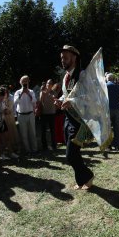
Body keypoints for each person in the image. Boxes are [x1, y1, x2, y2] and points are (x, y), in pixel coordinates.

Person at [54, 45, 94, 190]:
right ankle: (81, 181)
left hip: (79, 121)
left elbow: (90, 96)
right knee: (73, 154)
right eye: (61, 58)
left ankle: (88, 176)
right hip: (68, 118)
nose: (63, 60)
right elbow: (68, 94)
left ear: (74, 57)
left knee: (70, 155)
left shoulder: (82, 74)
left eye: (65, 57)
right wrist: (61, 100)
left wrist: (71, 101)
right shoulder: (66, 76)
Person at [14, 75, 38, 156]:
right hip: (21, 115)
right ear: (20, 82)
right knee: (24, 134)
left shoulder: (31, 91)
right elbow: (15, 102)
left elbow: (34, 101)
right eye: (23, 81)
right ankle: (28, 150)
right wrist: (22, 94)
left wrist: (28, 94)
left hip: (30, 114)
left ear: (28, 82)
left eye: (26, 81)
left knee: (32, 133)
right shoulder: (17, 92)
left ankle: (34, 150)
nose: (25, 83)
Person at [40, 79, 57, 151]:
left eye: (50, 84)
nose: (48, 85)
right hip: (44, 114)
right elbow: (41, 101)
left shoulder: (54, 93)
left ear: (52, 85)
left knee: (53, 130)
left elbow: (55, 101)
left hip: (52, 113)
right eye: (47, 83)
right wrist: (44, 93)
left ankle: (54, 145)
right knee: (43, 131)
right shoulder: (42, 92)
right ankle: (44, 146)